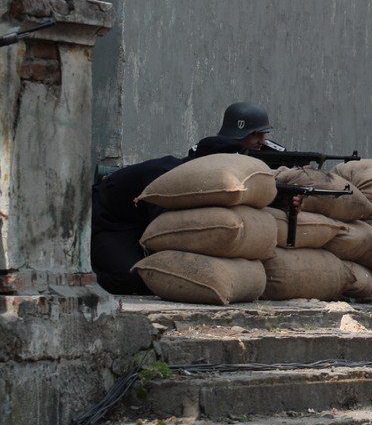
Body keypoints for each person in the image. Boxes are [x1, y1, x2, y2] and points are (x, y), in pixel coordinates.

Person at [91, 102, 275, 294]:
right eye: (256, 134)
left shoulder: (206, 183)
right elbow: (165, 233)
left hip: (134, 222)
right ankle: (81, 276)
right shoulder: (169, 179)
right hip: (104, 219)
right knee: (131, 278)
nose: (262, 141)